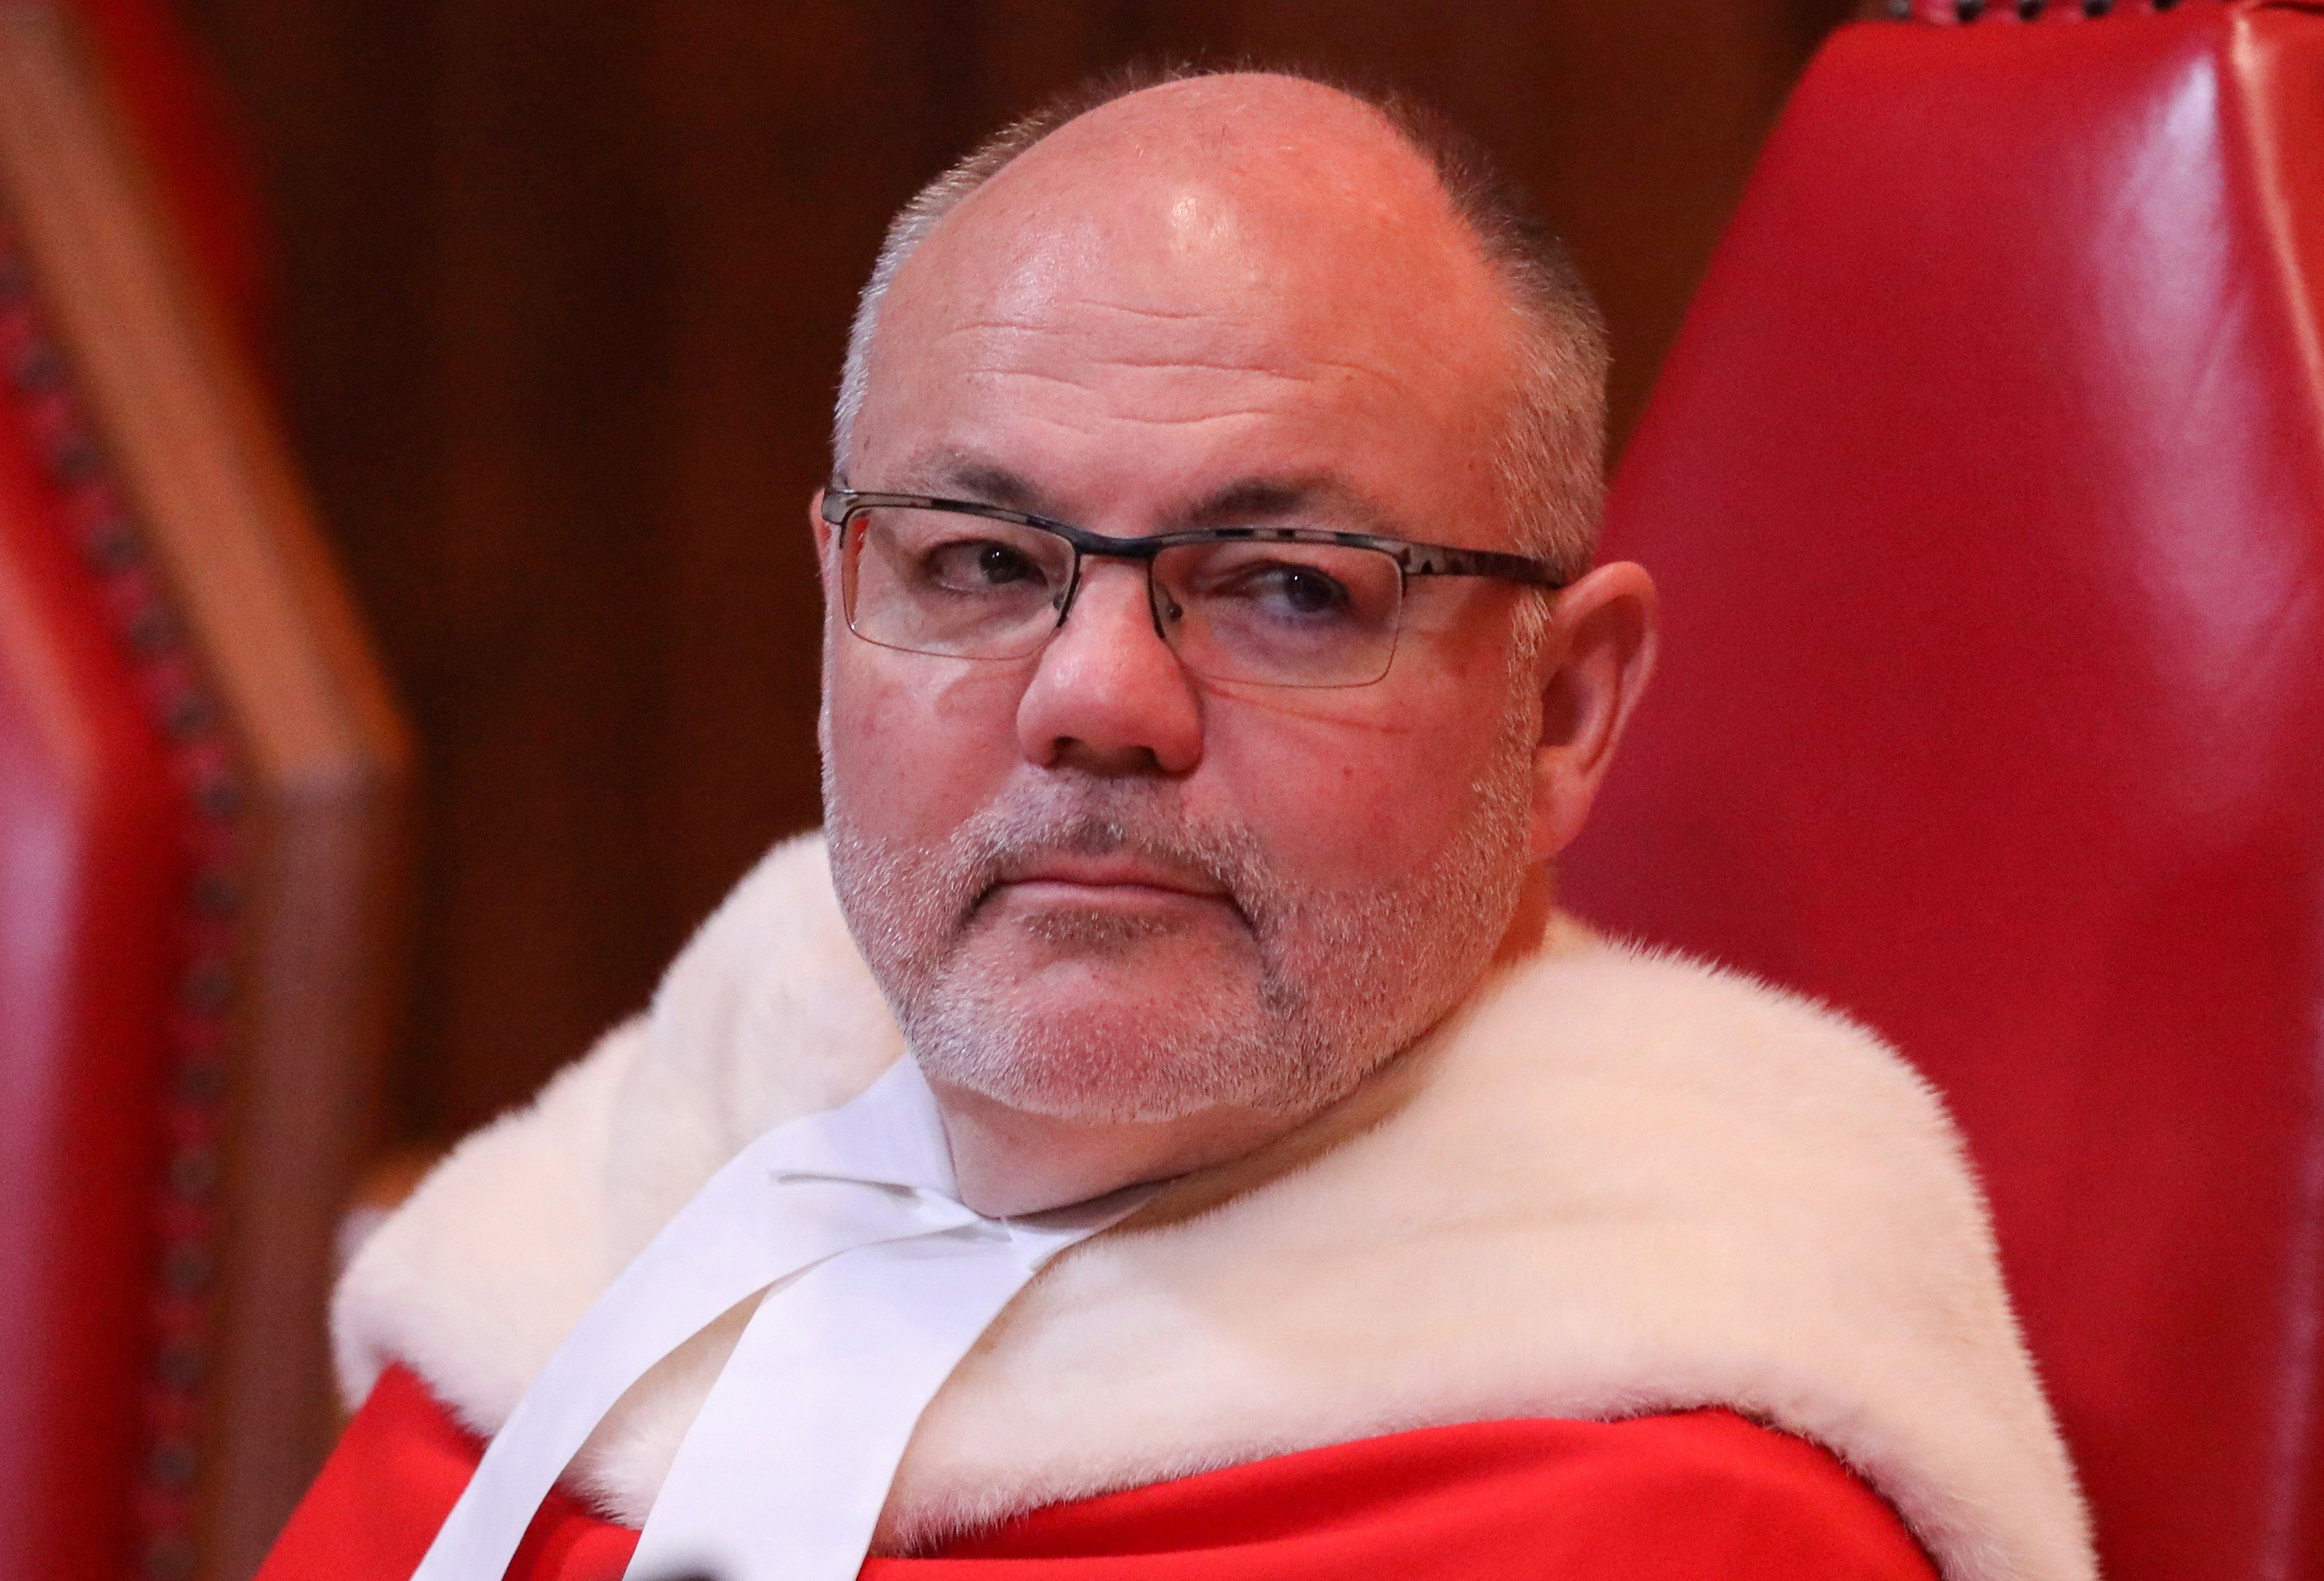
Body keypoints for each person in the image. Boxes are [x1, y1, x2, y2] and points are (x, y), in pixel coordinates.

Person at [260, 68, 2094, 1581]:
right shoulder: (595, 1250)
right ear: (839, 607)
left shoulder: (1673, 1507)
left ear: (1559, 710)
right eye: (978, 562)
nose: (1098, 701)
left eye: (1290, 588)